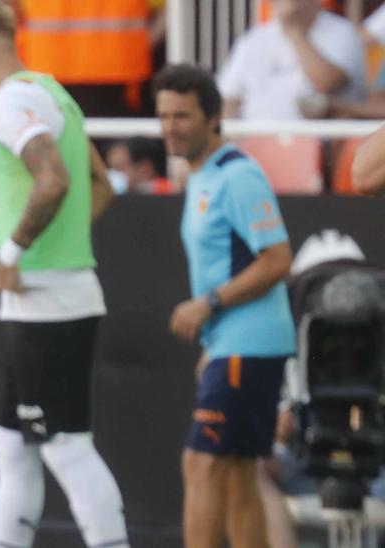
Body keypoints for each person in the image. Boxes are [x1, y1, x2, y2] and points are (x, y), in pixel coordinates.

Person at [0, 2, 129, 547]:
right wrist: (51, 243)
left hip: (48, 300)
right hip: (53, 295)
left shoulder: (12, 100)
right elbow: (101, 185)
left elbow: (54, 181)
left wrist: (14, 253)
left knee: (66, 447)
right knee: (10, 443)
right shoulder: (52, 93)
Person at [155, 63, 296, 548]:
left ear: (213, 117)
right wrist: (216, 343)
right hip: (235, 346)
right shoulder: (202, 175)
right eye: (164, 116)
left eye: (183, 116)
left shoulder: (237, 175)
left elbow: (278, 259)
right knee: (237, 475)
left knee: (202, 464)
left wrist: (208, 305)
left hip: (249, 344)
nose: (170, 127)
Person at [219, 0, 364, 120]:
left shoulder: (342, 31)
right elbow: (229, 99)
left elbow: (327, 82)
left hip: (319, 145)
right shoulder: (253, 39)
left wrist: (294, 32)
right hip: (254, 142)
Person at [107, 137, 174, 195]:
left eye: (119, 168)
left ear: (145, 169)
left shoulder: (170, 192)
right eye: (111, 167)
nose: (113, 174)